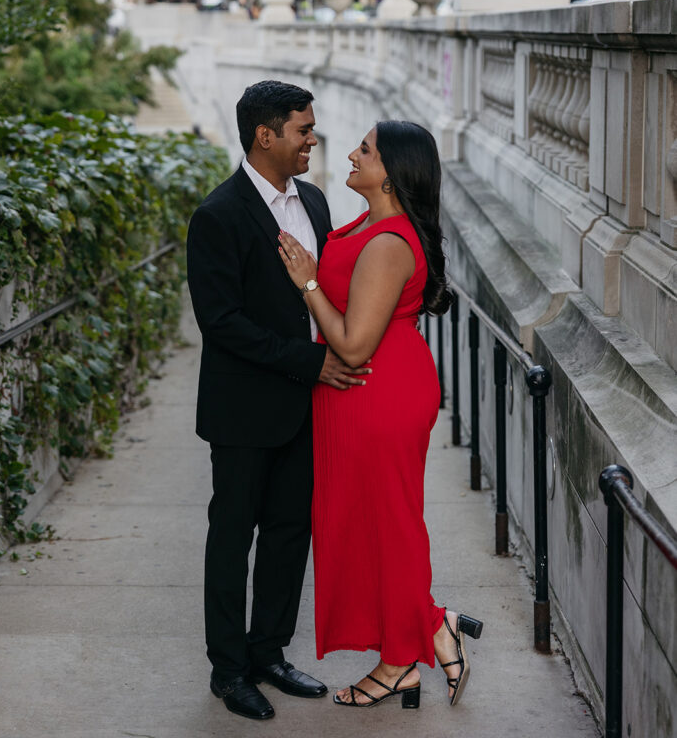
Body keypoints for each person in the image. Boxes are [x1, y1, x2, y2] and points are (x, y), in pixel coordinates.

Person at [278, 119, 483, 709]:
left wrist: (306, 280)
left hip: (379, 390)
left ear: (391, 172)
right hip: (357, 394)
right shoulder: (369, 222)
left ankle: (407, 653)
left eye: (364, 150)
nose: (349, 153)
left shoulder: (391, 242)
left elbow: (352, 343)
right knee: (364, 525)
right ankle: (423, 635)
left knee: (389, 526)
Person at [186, 80, 370, 721]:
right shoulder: (218, 215)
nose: (312, 140)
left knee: (291, 533)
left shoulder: (315, 201)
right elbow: (222, 322)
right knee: (232, 537)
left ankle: (269, 652)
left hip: (308, 406)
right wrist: (311, 360)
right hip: (244, 410)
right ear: (265, 135)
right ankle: (229, 670)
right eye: (302, 129)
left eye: (311, 128)